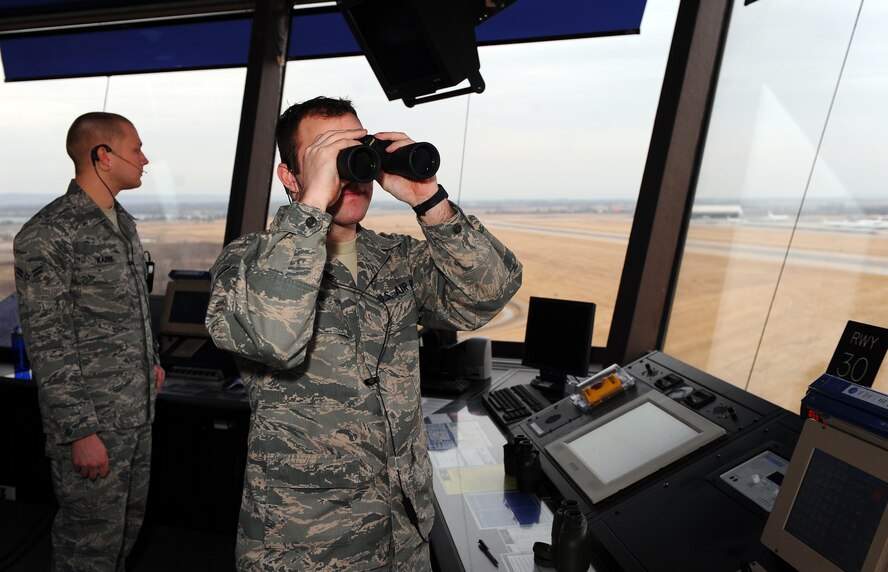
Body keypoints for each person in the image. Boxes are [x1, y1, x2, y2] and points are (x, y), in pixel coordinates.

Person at [205, 96, 523, 570]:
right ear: (290, 176)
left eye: (355, 152)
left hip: (403, 531)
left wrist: (428, 199)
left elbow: (487, 294)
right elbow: (273, 332)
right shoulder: (247, 263)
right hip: (307, 544)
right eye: (327, 157)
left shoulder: (397, 259)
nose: (349, 173)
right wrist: (315, 200)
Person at [13, 111, 165, 571]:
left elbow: (127, 307)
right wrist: (80, 431)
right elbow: (48, 341)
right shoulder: (49, 233)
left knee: (122, 537)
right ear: (104, 156)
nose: (144, 159)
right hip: (93, 422)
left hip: (134, 413)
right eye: (136, 148)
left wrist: (151, 361)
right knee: (87, 549)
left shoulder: (122, 224)